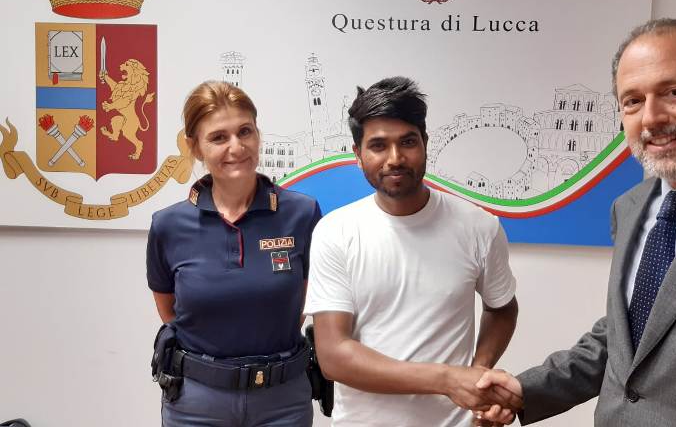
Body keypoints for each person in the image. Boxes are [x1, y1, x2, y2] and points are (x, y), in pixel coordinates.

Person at [476, 18, 676, 426]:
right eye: (632, 101)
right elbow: (629, 335)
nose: (651, 118)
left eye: (675, 92)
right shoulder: (630, 208)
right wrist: (527, 390)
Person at [304, 76, 521, 426]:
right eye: (378, 146)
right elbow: (334, 355)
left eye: (407, 142)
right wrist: (448, 379)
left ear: (425, 143)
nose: (395, 158)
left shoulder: (479, 226)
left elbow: (503, 308)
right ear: (358, 154)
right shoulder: (336, 232)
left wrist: (478, 376)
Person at [146, 81, 322, 426]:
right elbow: (171, 313)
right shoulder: (168, 225)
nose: (237, 147)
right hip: (196, 404)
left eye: (245, 131)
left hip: (282, 402)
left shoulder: (302, 214)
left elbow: (302, 305)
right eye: (218, 137)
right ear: (195, 147)